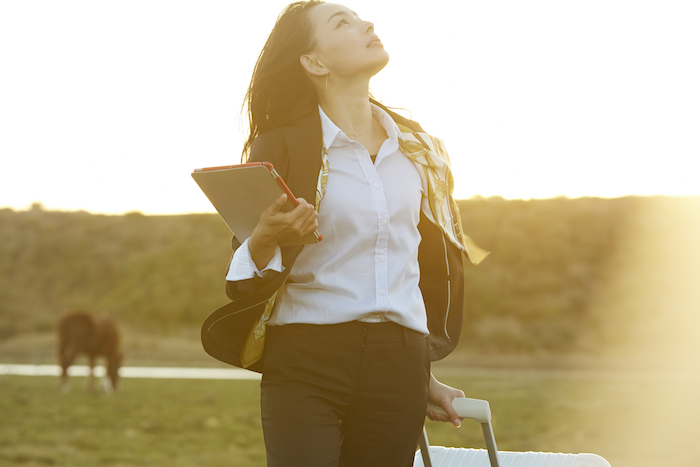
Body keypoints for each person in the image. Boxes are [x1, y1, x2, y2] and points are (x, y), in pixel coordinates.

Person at [222, 2, 488, 465]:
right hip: (306, 359)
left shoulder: (422, 151)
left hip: (399, 366)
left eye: (360, 16)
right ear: (314, 62)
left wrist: (422, 371)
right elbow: (244, 275)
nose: (367, 24)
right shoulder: (279, 145)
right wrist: (266, 236)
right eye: (341, 23)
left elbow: (418, 266)